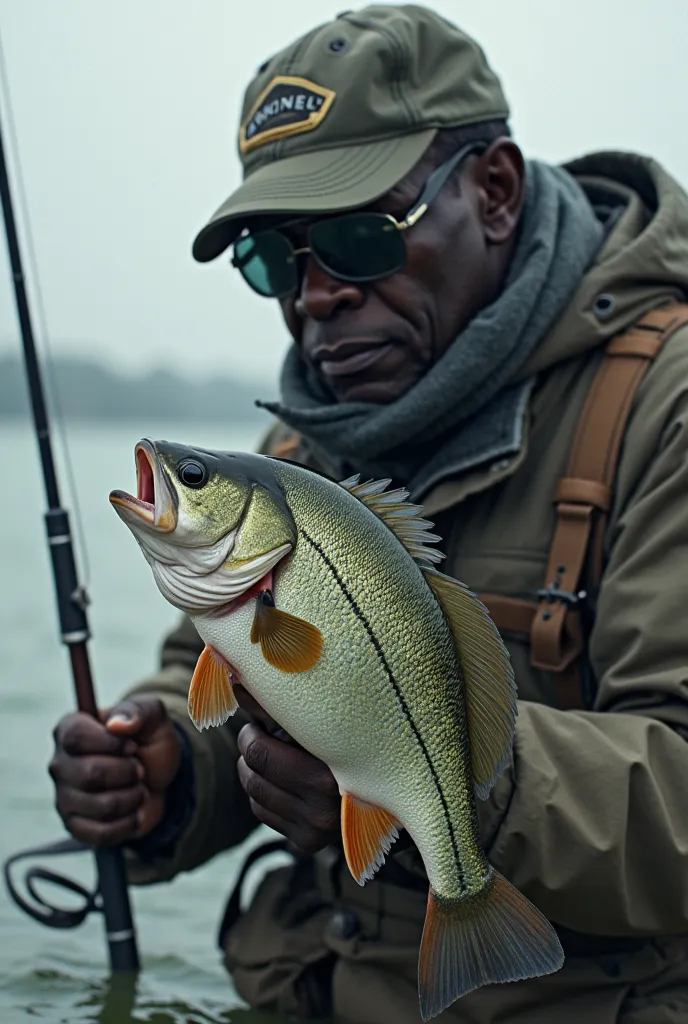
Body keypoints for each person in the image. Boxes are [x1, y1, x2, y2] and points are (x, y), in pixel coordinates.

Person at [48, 6, 688, 1022]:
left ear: (493, 192)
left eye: (355, 236)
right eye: (273, 257)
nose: (313, 298)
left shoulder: (667, 401)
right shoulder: (311, 441)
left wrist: (437, 775)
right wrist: (167, 766)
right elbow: (214, 675)